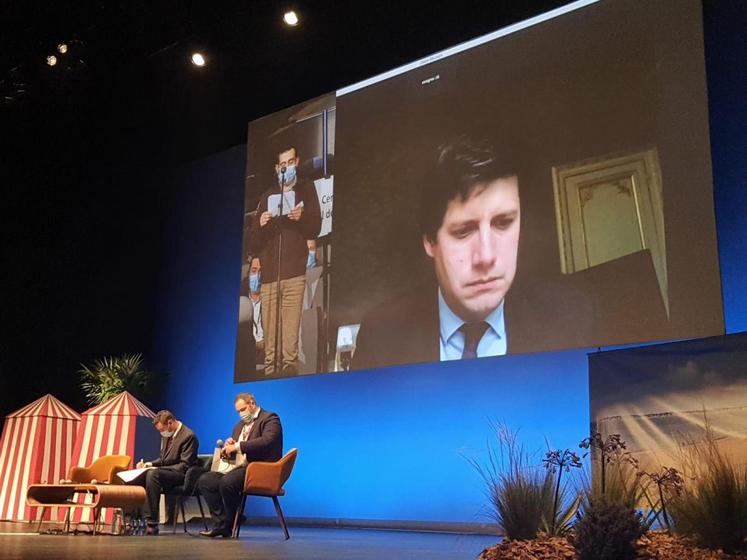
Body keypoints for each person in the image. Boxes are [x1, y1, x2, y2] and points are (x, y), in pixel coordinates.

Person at [352, 135, 593, 370]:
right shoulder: (381, 335)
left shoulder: (572, 319)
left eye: (503, 223)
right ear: (430, 241)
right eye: (463, 231)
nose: (486, 257)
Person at [249, 145, 321, 376]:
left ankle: (289, 386)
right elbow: (253, 242)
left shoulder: (306, 189)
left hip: (294, 276)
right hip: (270, 278)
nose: (287, 167)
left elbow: (315, 227)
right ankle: (270, 385)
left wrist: (302, 217)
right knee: (270, 351)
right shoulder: (267, 195)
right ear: (276, 168)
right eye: (283, 164)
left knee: (289, 349)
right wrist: (260, 224)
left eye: (290, 162)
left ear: (297, 162)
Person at [197, 392, 283, 538]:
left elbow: (267, 441)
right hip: (241, 468)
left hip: (261, 469)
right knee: (206, 480)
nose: (241, 414)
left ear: (252, 404)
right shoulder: (239, 427)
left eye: (243, 410)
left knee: (227, 481)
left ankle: (229, 522)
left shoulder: (270, 418)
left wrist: (237, 446)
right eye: (238, 412)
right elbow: (237, 450)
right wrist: (227, 449)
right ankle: (223, 522)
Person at [130, 410, 199, 535]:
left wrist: (157, 469)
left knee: (153, 474)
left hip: (181, 475)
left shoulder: (189, 436)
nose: (162, 433)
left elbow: (184, 465)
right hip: (167, 472)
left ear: (170, 423)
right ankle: (135, 518)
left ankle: (152, 522)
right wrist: (149, 464)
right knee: (140, 474)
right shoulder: (168, 435)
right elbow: (163, 459)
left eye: (162, 430)